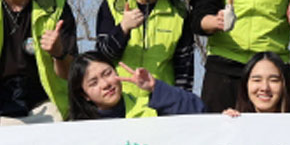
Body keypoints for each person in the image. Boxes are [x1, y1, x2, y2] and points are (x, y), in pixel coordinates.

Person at [92, 0, 195, 116]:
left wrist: (180, 104)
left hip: (162, 104)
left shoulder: (179, 12)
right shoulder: (109, 5)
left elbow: (184, 67)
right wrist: (123, 28)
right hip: (117, 103)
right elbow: (101, 56)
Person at [67, 52, 207, 120]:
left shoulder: (149, 108)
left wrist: (154, 87)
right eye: (94, 83)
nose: (105, 84)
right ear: (84, 95)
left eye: (107, 73)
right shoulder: (80, 131)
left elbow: (199, 111)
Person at [223, 51, 290, 116]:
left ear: (284, 85)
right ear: (246, 85)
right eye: (257, 80)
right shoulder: (236, 124)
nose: (265, 88)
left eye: (273, 80)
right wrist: (226, 125)